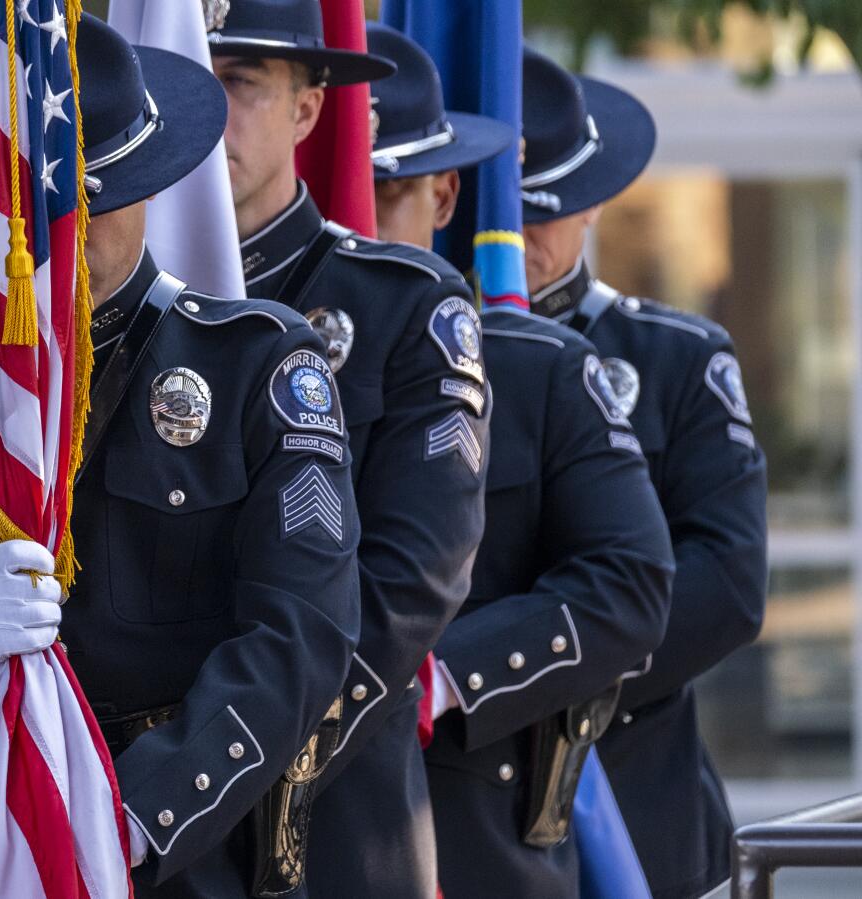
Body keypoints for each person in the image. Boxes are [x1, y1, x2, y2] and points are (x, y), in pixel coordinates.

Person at [0, 16, 363, 898]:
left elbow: (300, 640)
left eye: (97, 194)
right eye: (31, 201)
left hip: (175, 851)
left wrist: (113, 821)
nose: (62, 227)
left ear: (152, 185)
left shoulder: (253, 362)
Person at [367, 23, 676, 898]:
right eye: (345, 183)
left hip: (478, 823)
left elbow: (631, 581)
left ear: (443, 197)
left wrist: (450, 676)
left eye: (390, 193)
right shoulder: (256, 354)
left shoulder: (536, 368)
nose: (363, 215)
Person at [206, 4, 501, 895]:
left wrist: (208, 765)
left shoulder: (402, 306)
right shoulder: (99, 309)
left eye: (240, 85)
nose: (208, 112)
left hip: (326, 823)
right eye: (187, 80)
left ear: (306, 112)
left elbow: (412, 579)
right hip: (135, 823)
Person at [521, 49, 769, 899]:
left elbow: (729, 582)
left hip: (633, 783)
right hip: (459, 799)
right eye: (496, 207)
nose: (514, 234)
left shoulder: (674, 357)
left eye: (540, 210)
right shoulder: (422, 351)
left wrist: (533, 665)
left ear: (589, 200)